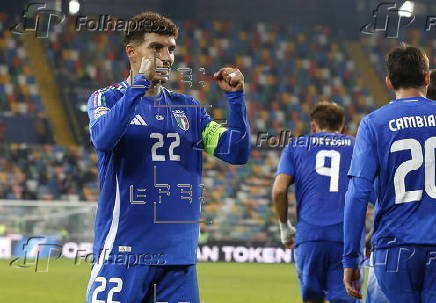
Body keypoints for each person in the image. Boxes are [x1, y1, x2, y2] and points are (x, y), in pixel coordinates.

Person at [86, 11, 250, 303]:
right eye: (156, 48)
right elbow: (103, 138)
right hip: (124, 254)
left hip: (178, 260)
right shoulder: (106, 98)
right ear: (132, 52)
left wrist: (235, 101)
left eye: (171, 49)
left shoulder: (187, 108)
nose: (166, 57)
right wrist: (139, 86)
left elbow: (236, 152)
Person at [343, 45, 436, 303]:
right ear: (427, 77)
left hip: (394, 249)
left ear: (388, 81)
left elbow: (357, 194)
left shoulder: (374, 123)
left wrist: (351, 257)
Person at [273, 101, 361, 303]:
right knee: (346, 298)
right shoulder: (357, 147)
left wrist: (284, 226)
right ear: (343, 127)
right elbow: (379, 193)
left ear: (313, 126)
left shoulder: (296, 146)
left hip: (310, 236)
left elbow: (279, 190)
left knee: (312, 299)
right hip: (346, 238)